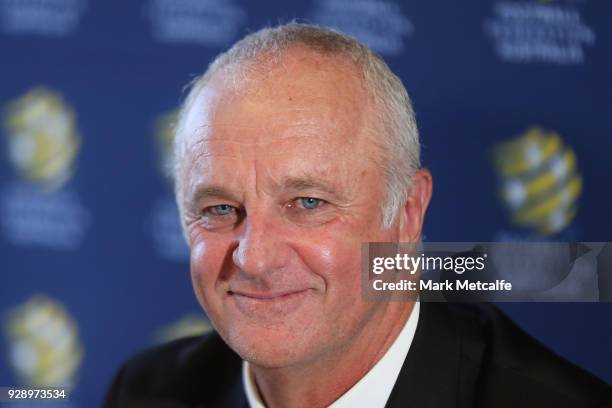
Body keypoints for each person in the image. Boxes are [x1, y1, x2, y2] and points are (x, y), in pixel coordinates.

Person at [104, 23, 612, 408]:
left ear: (408, 213)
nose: (254, 257)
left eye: (308, 204)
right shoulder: (150, 392)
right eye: (219, 209)